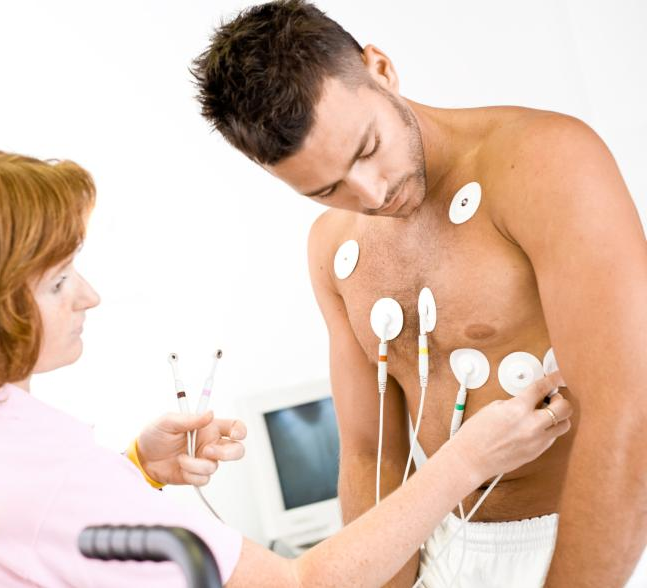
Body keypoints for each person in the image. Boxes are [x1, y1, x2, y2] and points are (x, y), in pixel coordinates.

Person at [0, 146, 571, 587]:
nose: (90, 296)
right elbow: (300, 586)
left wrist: (136, 469)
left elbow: (24, 538)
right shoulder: (56, 474)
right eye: (57, 283)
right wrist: (466, 461)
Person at [190, 1, 647, 587]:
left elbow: (627, 416)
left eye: (367, 148)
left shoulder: (541, 161)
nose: (372, 194)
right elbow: (368, 453)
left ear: (379, 68)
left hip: (594, 544)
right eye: (328, 188)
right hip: (446, 553)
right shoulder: (331, 247)